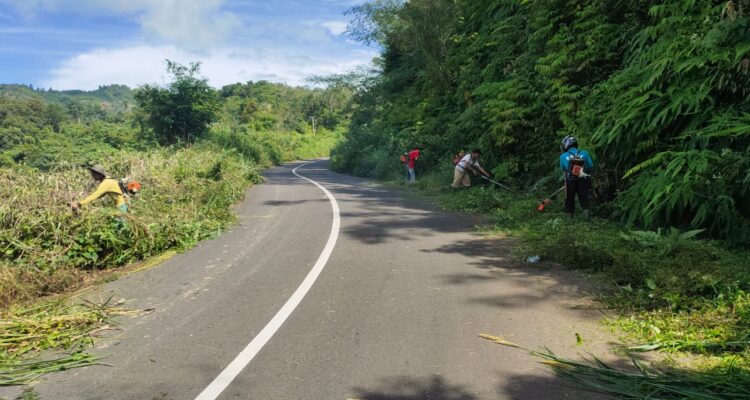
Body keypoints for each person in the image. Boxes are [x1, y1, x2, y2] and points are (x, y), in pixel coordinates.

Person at [559, 136, 594, 219]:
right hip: (583, 179)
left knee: (569, 199)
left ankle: (569, 219)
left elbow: (562, 169)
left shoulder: (563, 156)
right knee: (584, 198)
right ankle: (587, 219)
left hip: (570, 180)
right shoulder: (585, 153)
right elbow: (590, 166)